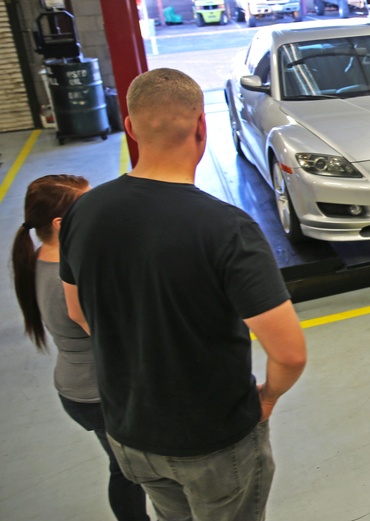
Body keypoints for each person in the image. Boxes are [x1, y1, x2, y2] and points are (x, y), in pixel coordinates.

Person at [59, 68, 307, 520]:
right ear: (201, 125)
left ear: (130, 127)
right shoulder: (227, 229)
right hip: (213, 443)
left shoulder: (83, 212)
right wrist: (267, 398)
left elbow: (77, 311)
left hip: (130, 434)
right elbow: (289, 353)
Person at [11, 175, 149, 521]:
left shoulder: (42, 257)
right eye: (88, 206)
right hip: (98, 393)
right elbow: (120, 335)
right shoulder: (71, 278)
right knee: (129, 472)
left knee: (125, 467)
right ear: (61, 224)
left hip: (78, 387)